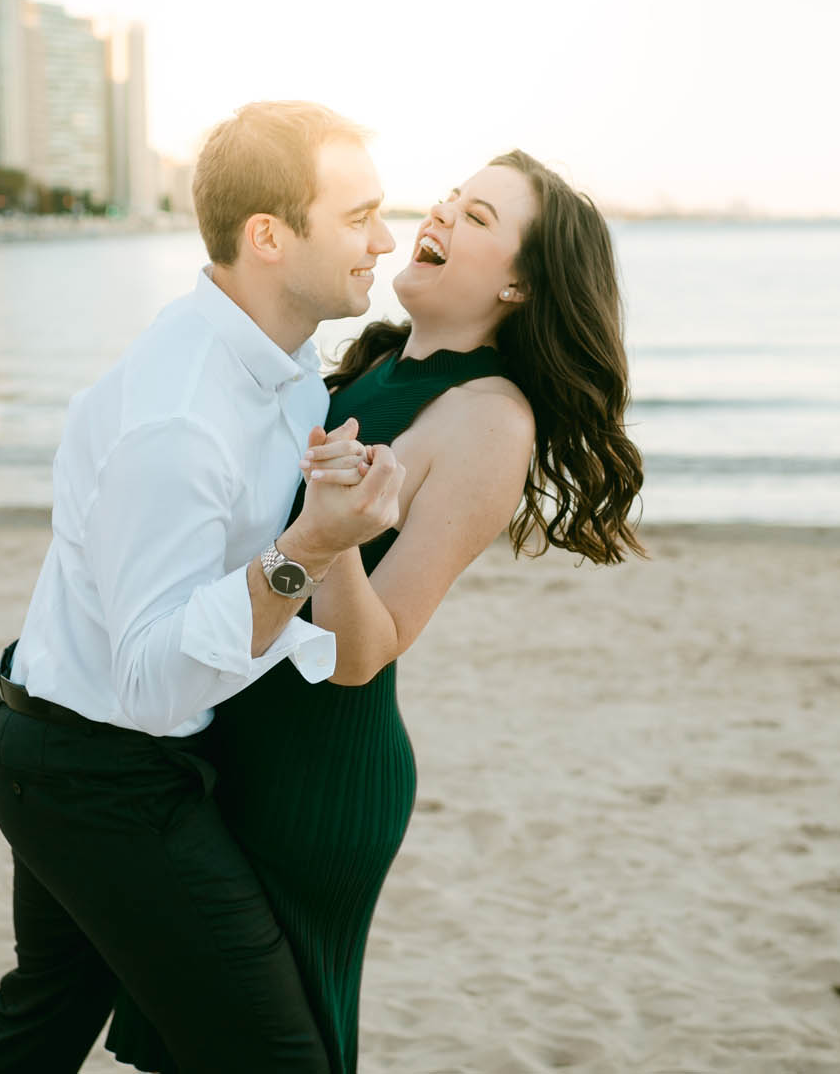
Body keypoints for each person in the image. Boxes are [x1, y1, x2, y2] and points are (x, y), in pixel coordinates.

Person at [105, 151, 647, 1073]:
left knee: (275, 1050)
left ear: (519, 282)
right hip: (231, 748)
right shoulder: (378, 365)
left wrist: (337, 538)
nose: (440, 214)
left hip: (317, 780)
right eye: (450, 199)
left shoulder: (489, 416)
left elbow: (367, 651)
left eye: (478, 218)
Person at [0, 101, 404, 1074]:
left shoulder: (277, 359)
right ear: (270, 236)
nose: (387, 239)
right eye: (360, 214)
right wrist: (308, 549)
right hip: (94, 766)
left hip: (71, 733)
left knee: (45, 1015)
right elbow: (154, 677)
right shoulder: (181, 419)